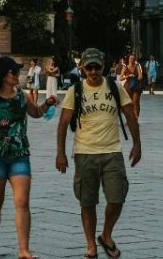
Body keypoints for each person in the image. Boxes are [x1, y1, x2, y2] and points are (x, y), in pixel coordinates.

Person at [56, 48, 142, 259]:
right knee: (88, 201)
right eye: (89, 67)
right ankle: (90, 244)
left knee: (117, 197)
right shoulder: (75, 90)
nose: (93, 71)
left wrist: (137, 144)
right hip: (84, 152)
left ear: (104, 67)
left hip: (112, 151)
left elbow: (130, 116)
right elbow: (63, 123)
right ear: (83, 68)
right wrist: (61, 153)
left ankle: (106, 234)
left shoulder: (114, 87)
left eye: (97, 67)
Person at [0, 56, 56, 259]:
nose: (17, 74)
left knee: (22, 201)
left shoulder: (22, 95)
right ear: (4, 75)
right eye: (13, 71)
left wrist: (47, 103)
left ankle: (24, 250)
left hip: (20, 156)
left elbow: (36, 113)